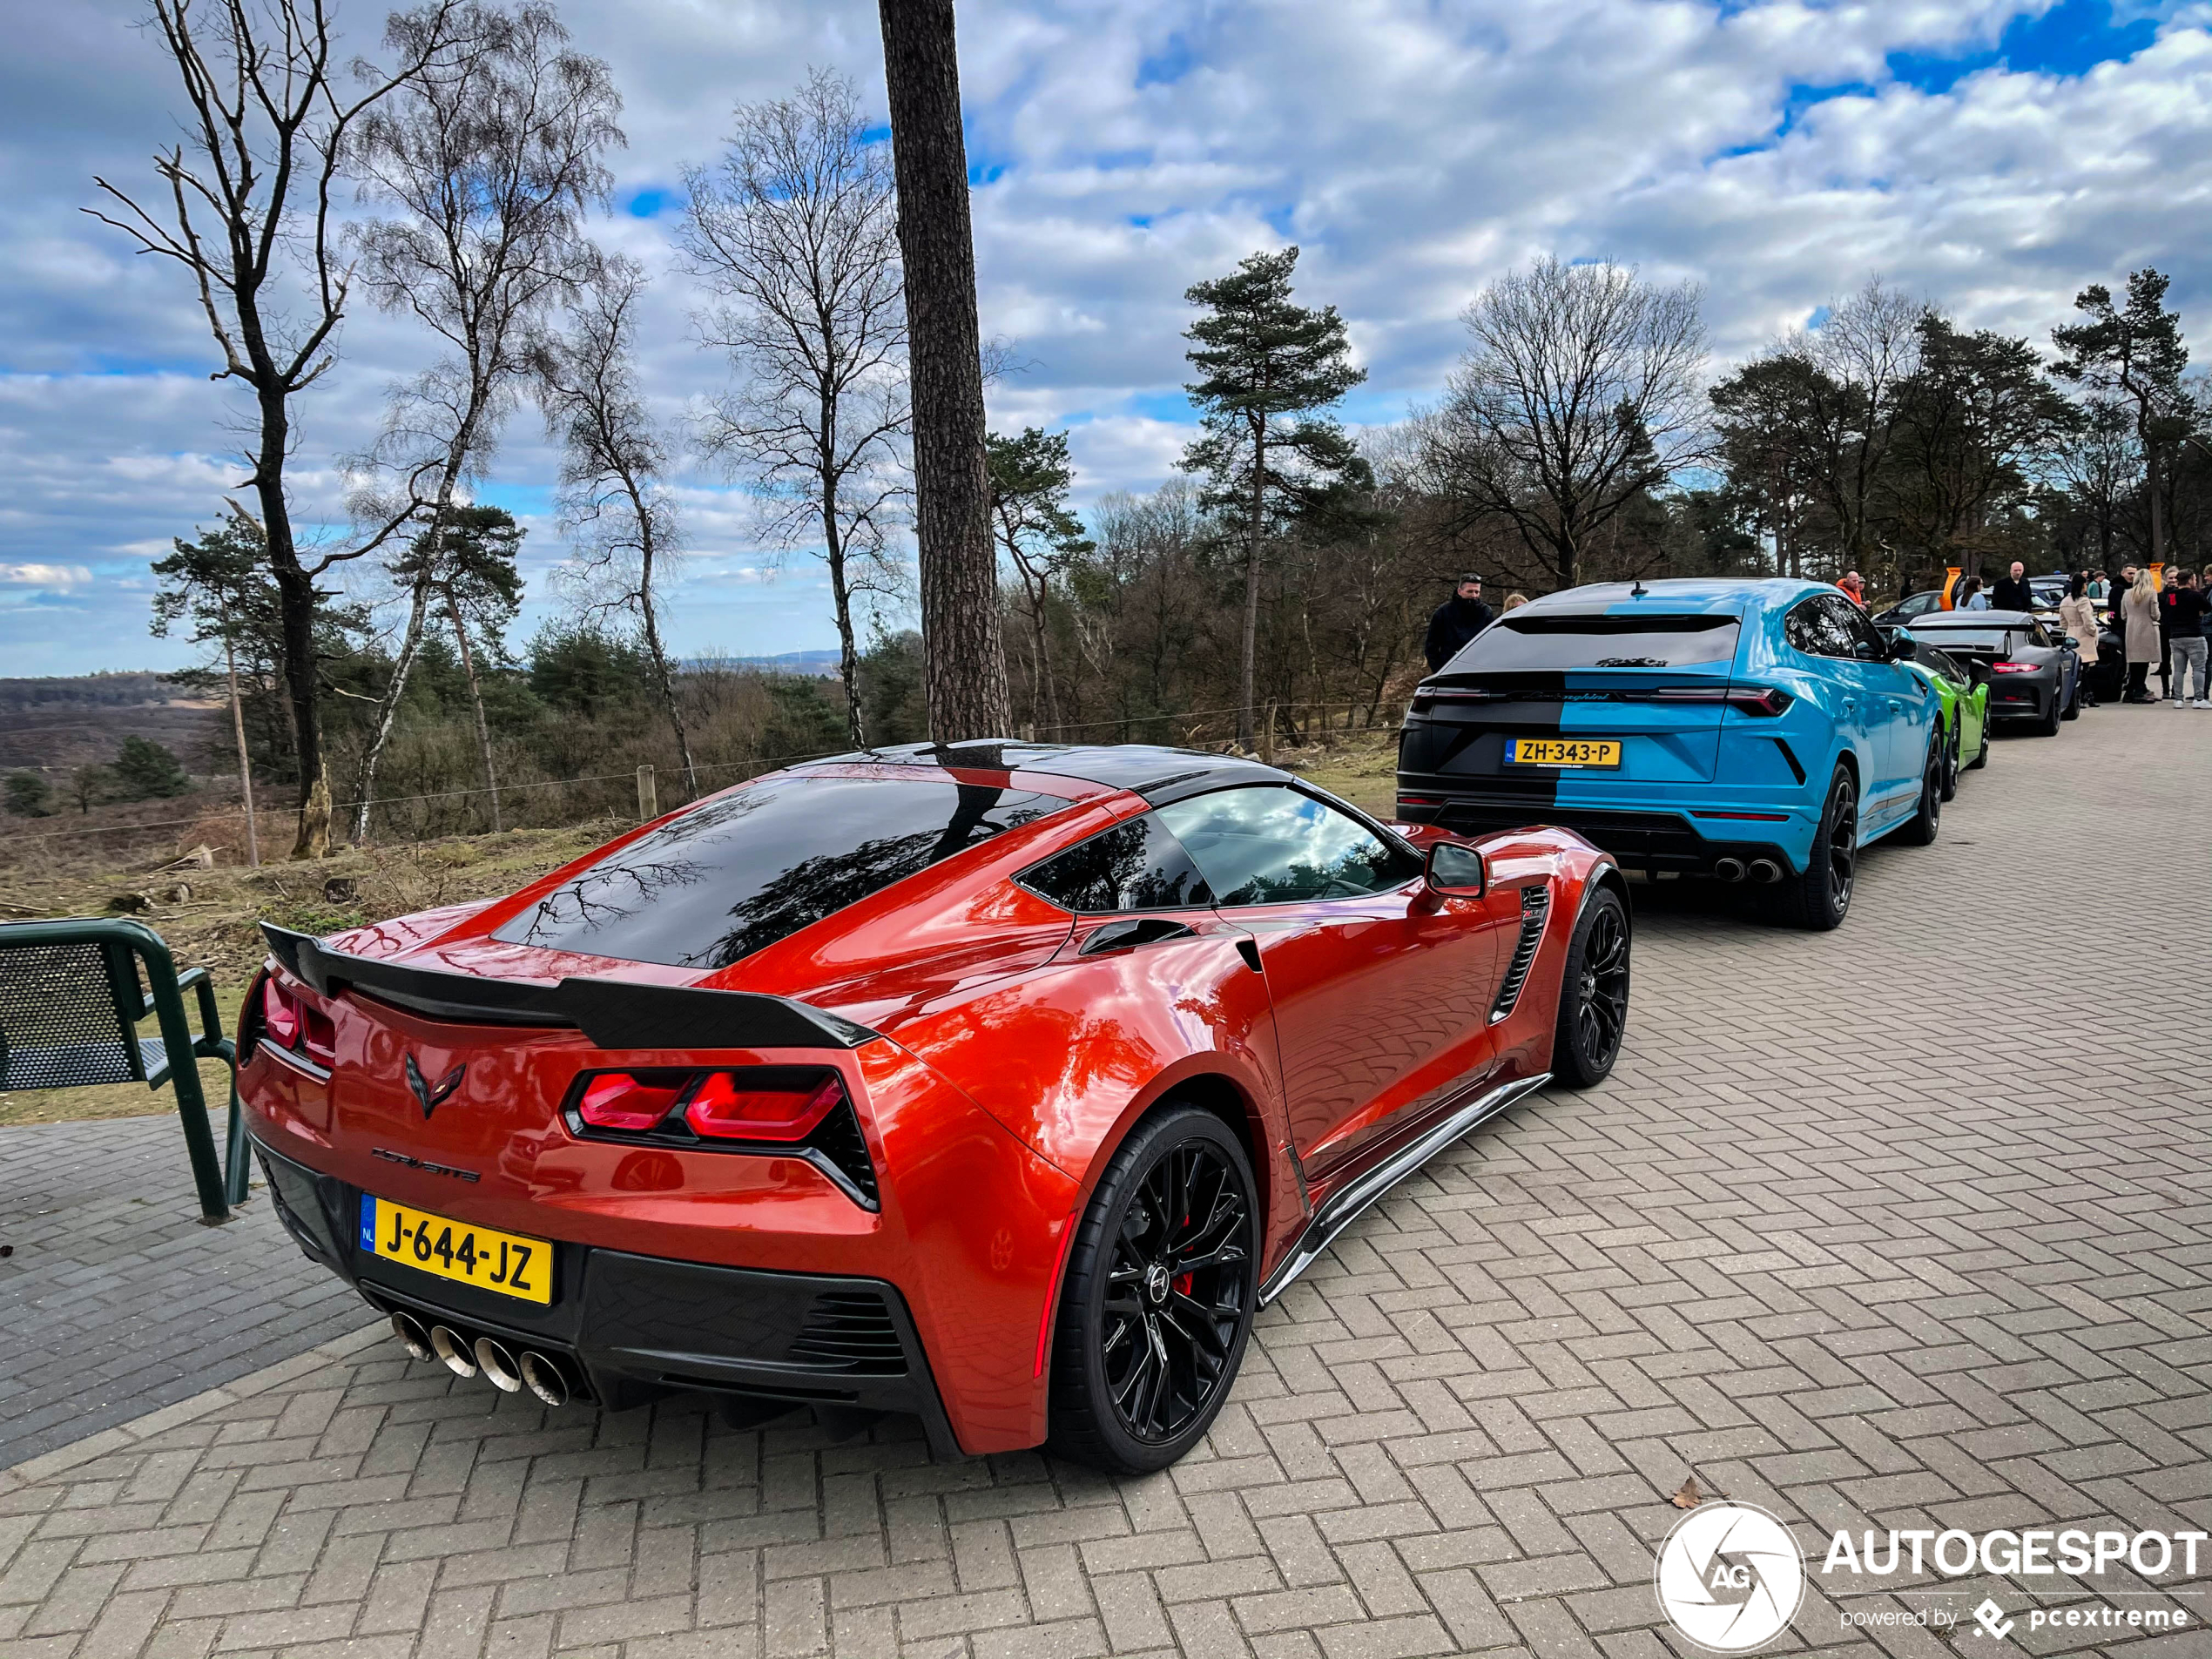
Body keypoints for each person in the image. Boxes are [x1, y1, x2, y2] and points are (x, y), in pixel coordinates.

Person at [1423, 573, 1494, 671]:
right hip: (1449, 668)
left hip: (1479, 669)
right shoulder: (1443, 612)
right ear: (1460, 591)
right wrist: (1439, 670)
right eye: (1470, 591)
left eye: (1477, 592)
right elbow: (1431, 646)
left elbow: (1491, 644)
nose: (1474, 595)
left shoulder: (1486, 612)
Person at [2163, 568, 2209, 708]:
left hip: (2176, 636)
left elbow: (2167, 611)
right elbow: (2207, 608)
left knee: (2179, 669)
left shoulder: (2171, 595)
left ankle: (2178, 699)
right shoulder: (2196, 595)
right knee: (2199, 668)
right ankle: (2199, 699)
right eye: (2194, 579)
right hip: (2194, 635)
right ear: (2190, 580)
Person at [2058, 573, 2101, 709]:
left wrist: (2070, 628)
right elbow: (2088, 621)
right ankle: (2086, 696)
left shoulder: (2065, 601)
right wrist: (2094, 631)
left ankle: (2078, 697)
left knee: (2074, 670)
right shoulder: (2083, 601)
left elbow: (2062, 622)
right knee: (2085, 670)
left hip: (2071, 634)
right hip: (2084, 636)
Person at [2121, 567, 2161, 703]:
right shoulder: (2151, 593)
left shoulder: (2126, 593)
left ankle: (2130, 692)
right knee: (2144, 663)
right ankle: (2138, 692)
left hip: (2131, 629)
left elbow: (2123, 615)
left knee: (2134, 663)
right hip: (2146, 628)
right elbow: (2155, 614)